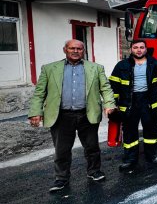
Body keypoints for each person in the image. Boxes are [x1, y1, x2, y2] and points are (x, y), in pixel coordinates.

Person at [28, 39, 116, 192]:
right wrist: (36, 112)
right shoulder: (49, 69)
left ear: (83, 51)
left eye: (79, 49)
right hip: (62, 116)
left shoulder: (96, 68)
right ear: (65, 50)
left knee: (92, 147)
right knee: (62, 150)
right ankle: (61, 178)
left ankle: (94, 171)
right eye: (72, 48)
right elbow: (39, 93)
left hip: (87, 114)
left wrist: (109, 104)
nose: (75, 51)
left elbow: (106, 88)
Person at [110, 39, 157, 172]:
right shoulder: (122, 65)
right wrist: (112, 103)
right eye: (136, 47)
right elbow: (113, 84)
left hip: (148, 101)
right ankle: (130, 159)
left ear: (146, 49)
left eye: (141, 47)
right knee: (130, 131)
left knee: (150, 129)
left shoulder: (154, 63)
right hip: (129, 102)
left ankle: (152, 155)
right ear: (131, 49)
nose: (139, 50)